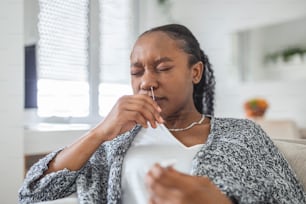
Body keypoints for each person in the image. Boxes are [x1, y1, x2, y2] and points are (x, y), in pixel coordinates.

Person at [19, 24, 306, 204]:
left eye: (163, 68)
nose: (146, 82)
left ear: (195, 72)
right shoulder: (114, 142)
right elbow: (32, 193)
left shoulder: (243, 134)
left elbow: (289, 198)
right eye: (136, 71)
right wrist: (100, 131)